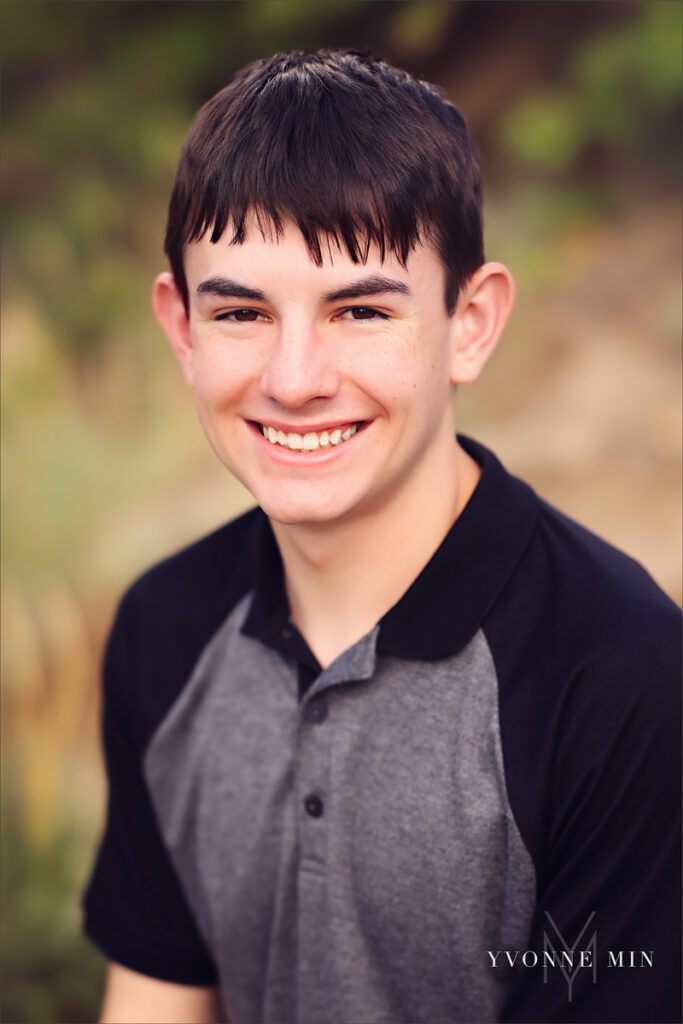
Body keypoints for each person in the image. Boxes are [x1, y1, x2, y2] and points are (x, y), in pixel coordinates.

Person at [82, 49, 681, 1024]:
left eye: (358, 309)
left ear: (469, 323)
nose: (294, 377)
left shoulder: (620, 676)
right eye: (240, 312)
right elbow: (154, 999)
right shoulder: (165, 626)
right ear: (181, 329)